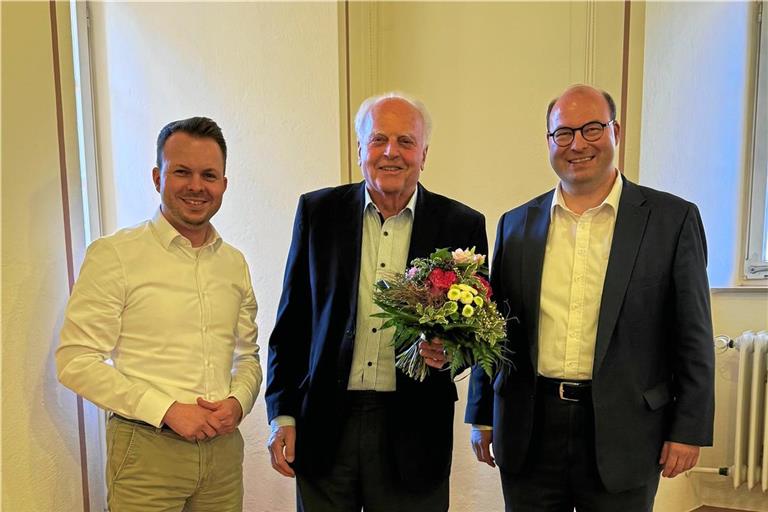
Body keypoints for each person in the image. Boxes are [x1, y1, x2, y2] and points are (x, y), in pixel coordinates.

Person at [466, 85, 715, 512]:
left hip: (627, 430)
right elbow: (493, 327)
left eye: (592, 129)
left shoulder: (672, 220)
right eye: (563, 133)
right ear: (549, 141)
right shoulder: (515, 225)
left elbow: (693, 333)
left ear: (616, 132)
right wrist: (482, 413)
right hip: (529, 428)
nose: (577, 144)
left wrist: (688, 427)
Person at [266, 92, 487, 511]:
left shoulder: (462, 225)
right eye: (378, 139)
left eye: (406, 141)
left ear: (424, 154)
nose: (391, 152)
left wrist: (450, 354)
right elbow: (292, 324)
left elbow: (474, 336)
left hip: (415, 433)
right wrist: (282, 414)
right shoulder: (318, 212)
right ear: (359, 149)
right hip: (325, 425)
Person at [57, 116, 261, 512]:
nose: (197, 186)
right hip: (147, 449)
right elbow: (75, 361)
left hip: (222, 454)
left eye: (209, 175)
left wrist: (238, 402)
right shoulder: (115, 255)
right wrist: (166, 410)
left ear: (223, 184)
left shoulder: (234, 264)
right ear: (157, 177)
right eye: (182, 172)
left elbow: (247, 356)